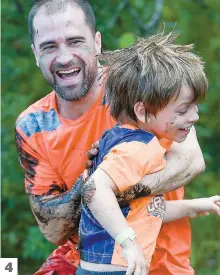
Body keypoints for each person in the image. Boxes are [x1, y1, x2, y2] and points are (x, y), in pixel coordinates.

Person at [15, 0, 207, 274]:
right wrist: (91, 185)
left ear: (96, 43)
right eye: (49, 46)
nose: (65, 57)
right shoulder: (33, 125)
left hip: (158, 264)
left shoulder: (135, 86)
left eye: (75, 41)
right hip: (88, 261)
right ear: (36, 54)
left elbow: (191, 161)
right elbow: (53, 228)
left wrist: (110, 187)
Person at [76, 32, 220, 275]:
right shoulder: (138, 147)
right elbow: (94, 189)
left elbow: (143, 210)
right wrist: (129, 244)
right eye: (183, 110)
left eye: (195, 106)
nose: (194, 117)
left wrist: (194, 205)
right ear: (142, 112)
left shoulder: (120, 138)